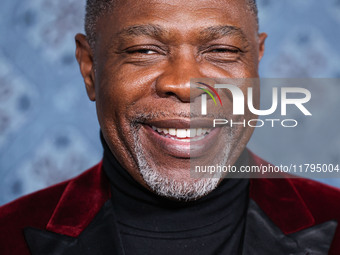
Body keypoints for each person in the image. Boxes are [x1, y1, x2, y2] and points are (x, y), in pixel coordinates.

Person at [1, 0, 340, 254]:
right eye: (144, 50)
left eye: (221, 50)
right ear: (90, 68)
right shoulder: (8, 234)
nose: (185, 84)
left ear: (257, 60)